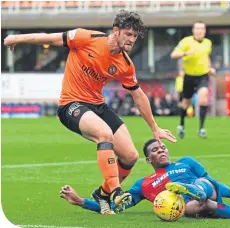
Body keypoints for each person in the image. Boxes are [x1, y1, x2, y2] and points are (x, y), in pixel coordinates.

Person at [4, 10, 176, 215]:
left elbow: (138, 96)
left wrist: (154, 127)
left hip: (97, 105)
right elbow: (49, 38)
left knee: (130, 156)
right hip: (71, 104)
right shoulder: (86, 37)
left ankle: (102, 194)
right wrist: (16, 38)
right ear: (116, 31)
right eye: (128, 34)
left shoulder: (125, 64)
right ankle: (116, 191)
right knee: (104, 134)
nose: (132, 39)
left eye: (135, 36)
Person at [60, 139, 230, 219]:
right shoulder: (143, 184)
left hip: (202, 188)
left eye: (163, 147)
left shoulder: (186, 162)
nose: (161, 150)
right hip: (185, 206)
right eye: (155, 150)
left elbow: (211, 180)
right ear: (148, 159)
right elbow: (115, 207)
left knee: (205, 187)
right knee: (206, 205)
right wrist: (82, 201)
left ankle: (192, 189)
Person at [171, 21, 216, 139]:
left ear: (205, 31)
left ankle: (201, 128)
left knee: (204, 99)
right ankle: (181, 124)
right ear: (193, 30)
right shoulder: (186, 41)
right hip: (189, 76)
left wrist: (210, 68)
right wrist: (185, 53)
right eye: (198, 28)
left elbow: (206, 56)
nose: (200, 31)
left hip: (203, 75)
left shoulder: (208, 43)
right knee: (186, 103)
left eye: (202, 29)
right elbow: (174, 54)